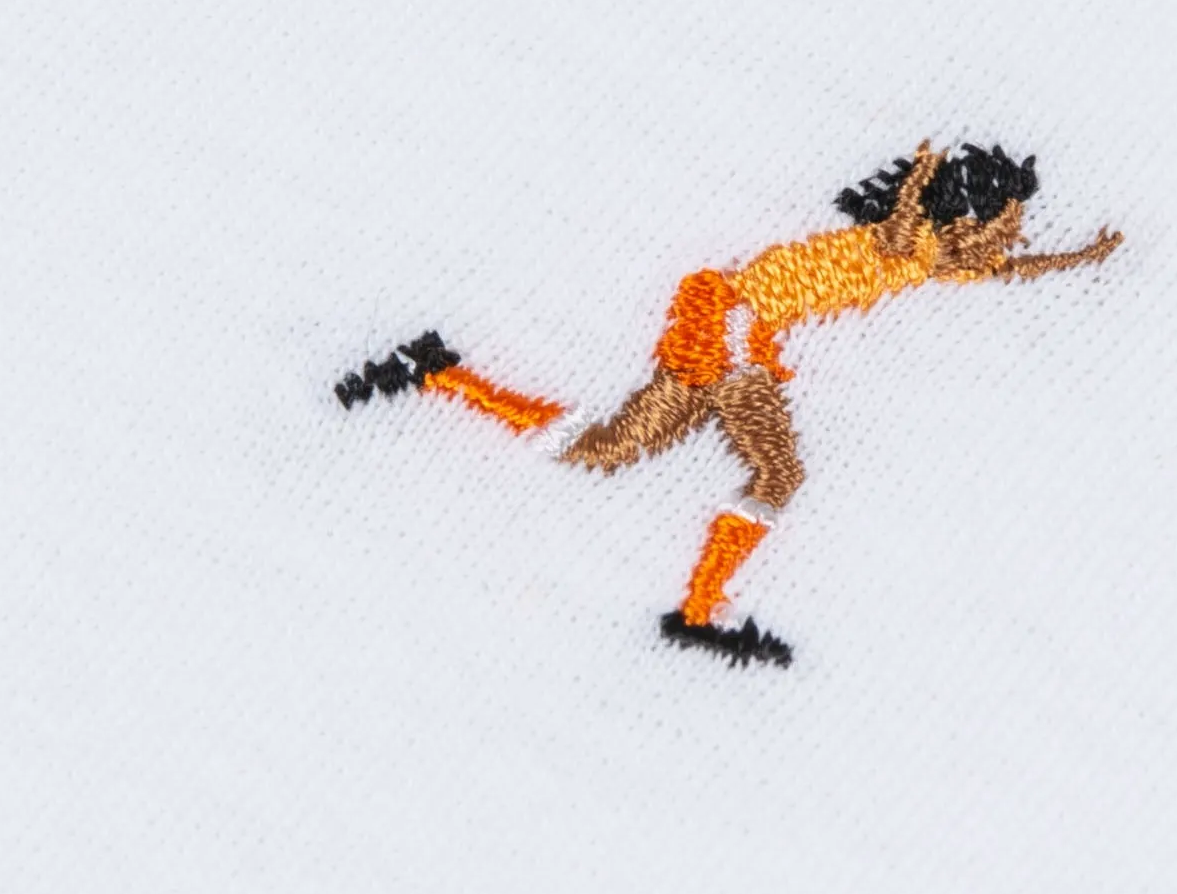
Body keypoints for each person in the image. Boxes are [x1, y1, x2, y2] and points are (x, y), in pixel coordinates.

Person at [332, 141, 1122, 663]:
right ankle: (700, 612)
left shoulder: (939, 261)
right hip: (736, 325)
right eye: (1004, 225)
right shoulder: (902, 241)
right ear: (963, 216)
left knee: (603, 448)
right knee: (777, 475)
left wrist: (1084, 254)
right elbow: (910, 219)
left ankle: (434, 372)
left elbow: (1010, 272)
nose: (1008, 240)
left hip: (725, 319)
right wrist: (918, 173)